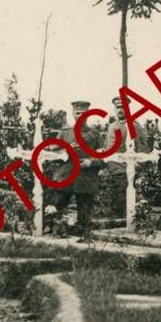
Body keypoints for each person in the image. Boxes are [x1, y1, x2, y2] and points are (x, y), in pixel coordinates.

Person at [52, 100, 107, 240]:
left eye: (84, 113)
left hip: (86, 178)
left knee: (84, 209)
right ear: (73, 113)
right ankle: (57, 229)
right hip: (66, 176)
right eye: (78, 113)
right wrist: (66, 150)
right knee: (58, 204)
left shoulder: (95, 135)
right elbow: (53, 155)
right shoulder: (64, 133)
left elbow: (103, 159)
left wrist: (91, 162)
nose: (81, 116)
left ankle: (82, 234)